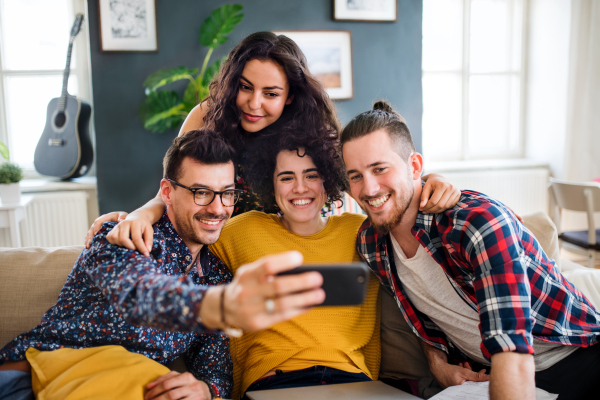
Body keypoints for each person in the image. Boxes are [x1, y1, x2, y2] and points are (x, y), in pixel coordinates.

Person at [0, 130, 326, 400]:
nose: (217, 208)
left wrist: (204, 388)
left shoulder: (215, 276)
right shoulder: (122, 234)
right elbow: (143, 296)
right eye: (201, 192)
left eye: (226, 194)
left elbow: (215, 366)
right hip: (28, 380)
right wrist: (222, 306)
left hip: (127, 387)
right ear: (167, 192)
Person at [85, 31, 459, 252]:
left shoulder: (316, 132)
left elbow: (369, 177)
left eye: (271, 93)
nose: (253, 103)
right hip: (228, 255)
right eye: (245, 87)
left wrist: (427, 181)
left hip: (297, 253)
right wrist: (138, 215)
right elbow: (174, 191)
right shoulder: (206, 116)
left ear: (291, 96)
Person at [340, 101, 600, 400]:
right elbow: (418, 311)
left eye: (380, 169)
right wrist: (437, 362)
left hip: (574, 359)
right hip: (483, 376)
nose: (369, 189)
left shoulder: (477, 224)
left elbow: (511, 350)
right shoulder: (371, 243)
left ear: (414, 167)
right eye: (356, 176)